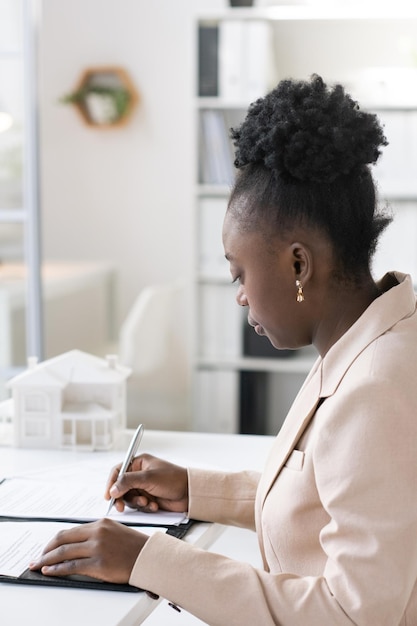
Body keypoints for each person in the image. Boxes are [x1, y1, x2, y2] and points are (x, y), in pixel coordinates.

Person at [29, 75, 417, 625]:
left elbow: (351, 616)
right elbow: (329, 493)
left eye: (240, 273)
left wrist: (149, 559)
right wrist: (193, 489)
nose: (239, 296)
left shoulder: (378, 385)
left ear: (298, 264)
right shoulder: (365, 339)